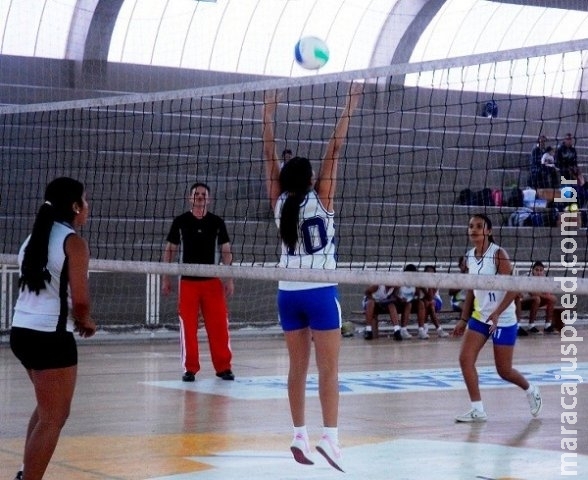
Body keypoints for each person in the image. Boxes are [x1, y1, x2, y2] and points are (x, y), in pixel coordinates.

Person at [262, 83, 361, 472]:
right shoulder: (323, 199)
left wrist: (267, 114)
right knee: (329, 370)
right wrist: (350, 104)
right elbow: (334, 150)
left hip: (288, 294)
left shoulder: (279, 202)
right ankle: (331, 439)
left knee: (296, 369)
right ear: (312, 179)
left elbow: (268, 154)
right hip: (320, 293)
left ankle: (299, 432)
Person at [10, 177, 96, 480]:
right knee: (53, 417)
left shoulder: (32, 239)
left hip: (21, 332)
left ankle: (25, 472)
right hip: (50, 337)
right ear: (74, 206)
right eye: (85, 201)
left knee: (48, 411)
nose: (88, 206)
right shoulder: (73, 242)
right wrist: (85, 321)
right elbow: (81, 300)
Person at [452, 213, 542, 423]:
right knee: (465, 359)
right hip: (480, 317)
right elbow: (472, 291)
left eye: (479, 226)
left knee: (504, 370)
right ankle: (478, 409)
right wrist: (463, 320)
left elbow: (513, 288)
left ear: (489, 231)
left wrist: (497, 313)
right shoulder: (470, 257)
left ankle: (531, 389)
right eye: (471, 226)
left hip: (503, 319)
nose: (473, 230)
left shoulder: (498, 254)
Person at [162, 182, 235, 382]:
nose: (200, 196)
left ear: (209, 199)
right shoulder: (181, 221)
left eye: (204, 194)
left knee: (219, 324)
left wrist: (229, 279)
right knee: (188, 326)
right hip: (187, 282)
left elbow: (226, 251)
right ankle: (190, 368)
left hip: (213, 281)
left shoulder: (217, 222)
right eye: (197, 194)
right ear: (190, 198)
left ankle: (223, 367)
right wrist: (165, 277)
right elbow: (170, 249)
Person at [515, 261, 556, 334]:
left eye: (541, 270)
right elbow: (532, 293)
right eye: (537, 270)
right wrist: (545, 296)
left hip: (534, 302)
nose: (539, 272)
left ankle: (547, 326)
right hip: (520, 302)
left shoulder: (544, 279)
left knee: (552, 299)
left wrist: (548, 296)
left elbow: (548, 293)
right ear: (532, 271)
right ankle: (531, 325)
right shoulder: (528, 277)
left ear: (543, 272)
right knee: (537, 298)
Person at [395, 264, 428, 340]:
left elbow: (418, 295)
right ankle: (403, 330)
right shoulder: (400, 280)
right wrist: (400, 299)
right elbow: (394, 294)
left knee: (421, 303)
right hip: (399, 302)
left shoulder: (416, 282)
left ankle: (421, 330)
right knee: (408, 304)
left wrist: (416, 296)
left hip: (410, 302)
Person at [422, 265, 449, 338]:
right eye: (428, 272)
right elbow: (425, 296)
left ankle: (424, 329)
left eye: (431, 272)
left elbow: (431, 296)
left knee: (430, 304)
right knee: (428, 305)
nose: (429, 274)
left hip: (437, 301)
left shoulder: (436, 282)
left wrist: (430, 283)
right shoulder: (421, 281)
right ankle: (439, 329)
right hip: (426, 302)